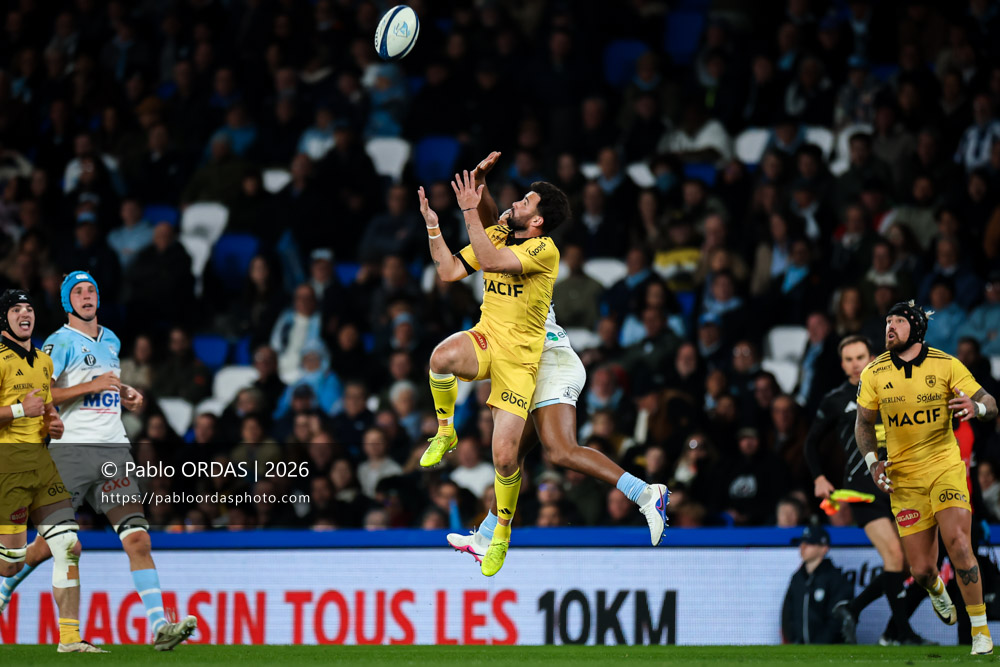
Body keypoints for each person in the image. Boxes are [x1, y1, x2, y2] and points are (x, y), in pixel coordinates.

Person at [444, 154, 668, 563]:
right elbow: (494, 227)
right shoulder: (514, 238)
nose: (516, 203)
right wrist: (482, 188)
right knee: (510, 455)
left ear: (538, 220)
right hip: (527, 363)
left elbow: (487, 252)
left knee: (560, 451)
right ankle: (488, 534)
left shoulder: (542, 250)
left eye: (525, 201)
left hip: (550, 359)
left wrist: (469, 210)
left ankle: (646, 494)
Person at [0, 273, 197, 651]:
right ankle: (6, 586)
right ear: (67, 302)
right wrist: (91, 386)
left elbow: (103, 386)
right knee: (53, 546)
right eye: (78, 291)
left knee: (138, 539)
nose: (86, 295)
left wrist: (125, 393)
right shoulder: (58, 342)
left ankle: (160, 627)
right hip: (70, 453)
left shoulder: (111, 340)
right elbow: (45, 394)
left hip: (113, 452)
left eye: (91, 290)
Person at [856, 300, 999, 656]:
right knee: (920, 570)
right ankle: (936, 588)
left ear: (917, 328)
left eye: (898, 321)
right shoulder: (873, 372)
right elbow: (863, 424)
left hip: (944, 468)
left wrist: (977, 407)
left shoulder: (946, 364)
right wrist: (873, 463)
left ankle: (980, 632)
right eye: (887, 321)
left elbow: (991, 403)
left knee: (960, 544)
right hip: (904, 478)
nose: (889, 326)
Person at [804, 334, 928, 645]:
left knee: (912, 566)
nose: (855, 364)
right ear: (842, 364)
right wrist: (819, 478)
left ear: (872, 358)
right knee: (894, 558)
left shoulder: (895, 389)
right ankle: (901, 635)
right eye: (848, 359)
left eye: (859, 357)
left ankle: (854, 609)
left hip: (899, 488)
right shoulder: (835, 399)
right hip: (862, 491)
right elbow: (810, 443)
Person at [0, 289, 96, 652]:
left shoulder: (43, 361)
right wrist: (20, 411)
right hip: (8, 467)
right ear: (4, 318)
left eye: (28, 308)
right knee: (9, 566)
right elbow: (25, 408)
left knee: (69, 545)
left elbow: (45, 407)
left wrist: (53, 422)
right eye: (16, 309)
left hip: (41, 464)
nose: (25, 314)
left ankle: (70, 639)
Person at [781, 523, 855, 645]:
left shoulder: (836, 579)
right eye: (801, 543)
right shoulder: (797, 578)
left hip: (830, 649)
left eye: (809, 543)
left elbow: (838, 619)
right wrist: (794, 640)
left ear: (824, 548)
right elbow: (787, 613)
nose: (802, 547)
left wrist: (821, 643)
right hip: (800, 648)